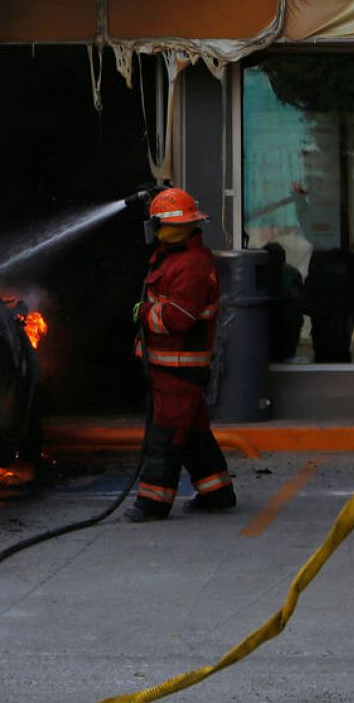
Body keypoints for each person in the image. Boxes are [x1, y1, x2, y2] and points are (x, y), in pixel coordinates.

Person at [124, 187, 236, 522]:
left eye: (156, 224)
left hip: (178, 367)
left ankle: (153, 503)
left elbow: (178, 318)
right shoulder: (176, 257)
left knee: (167, 434)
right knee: (194, 432)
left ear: (166, 226)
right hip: (170, 366)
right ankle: (217, 492)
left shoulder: (189, 265)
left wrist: (143, 312)